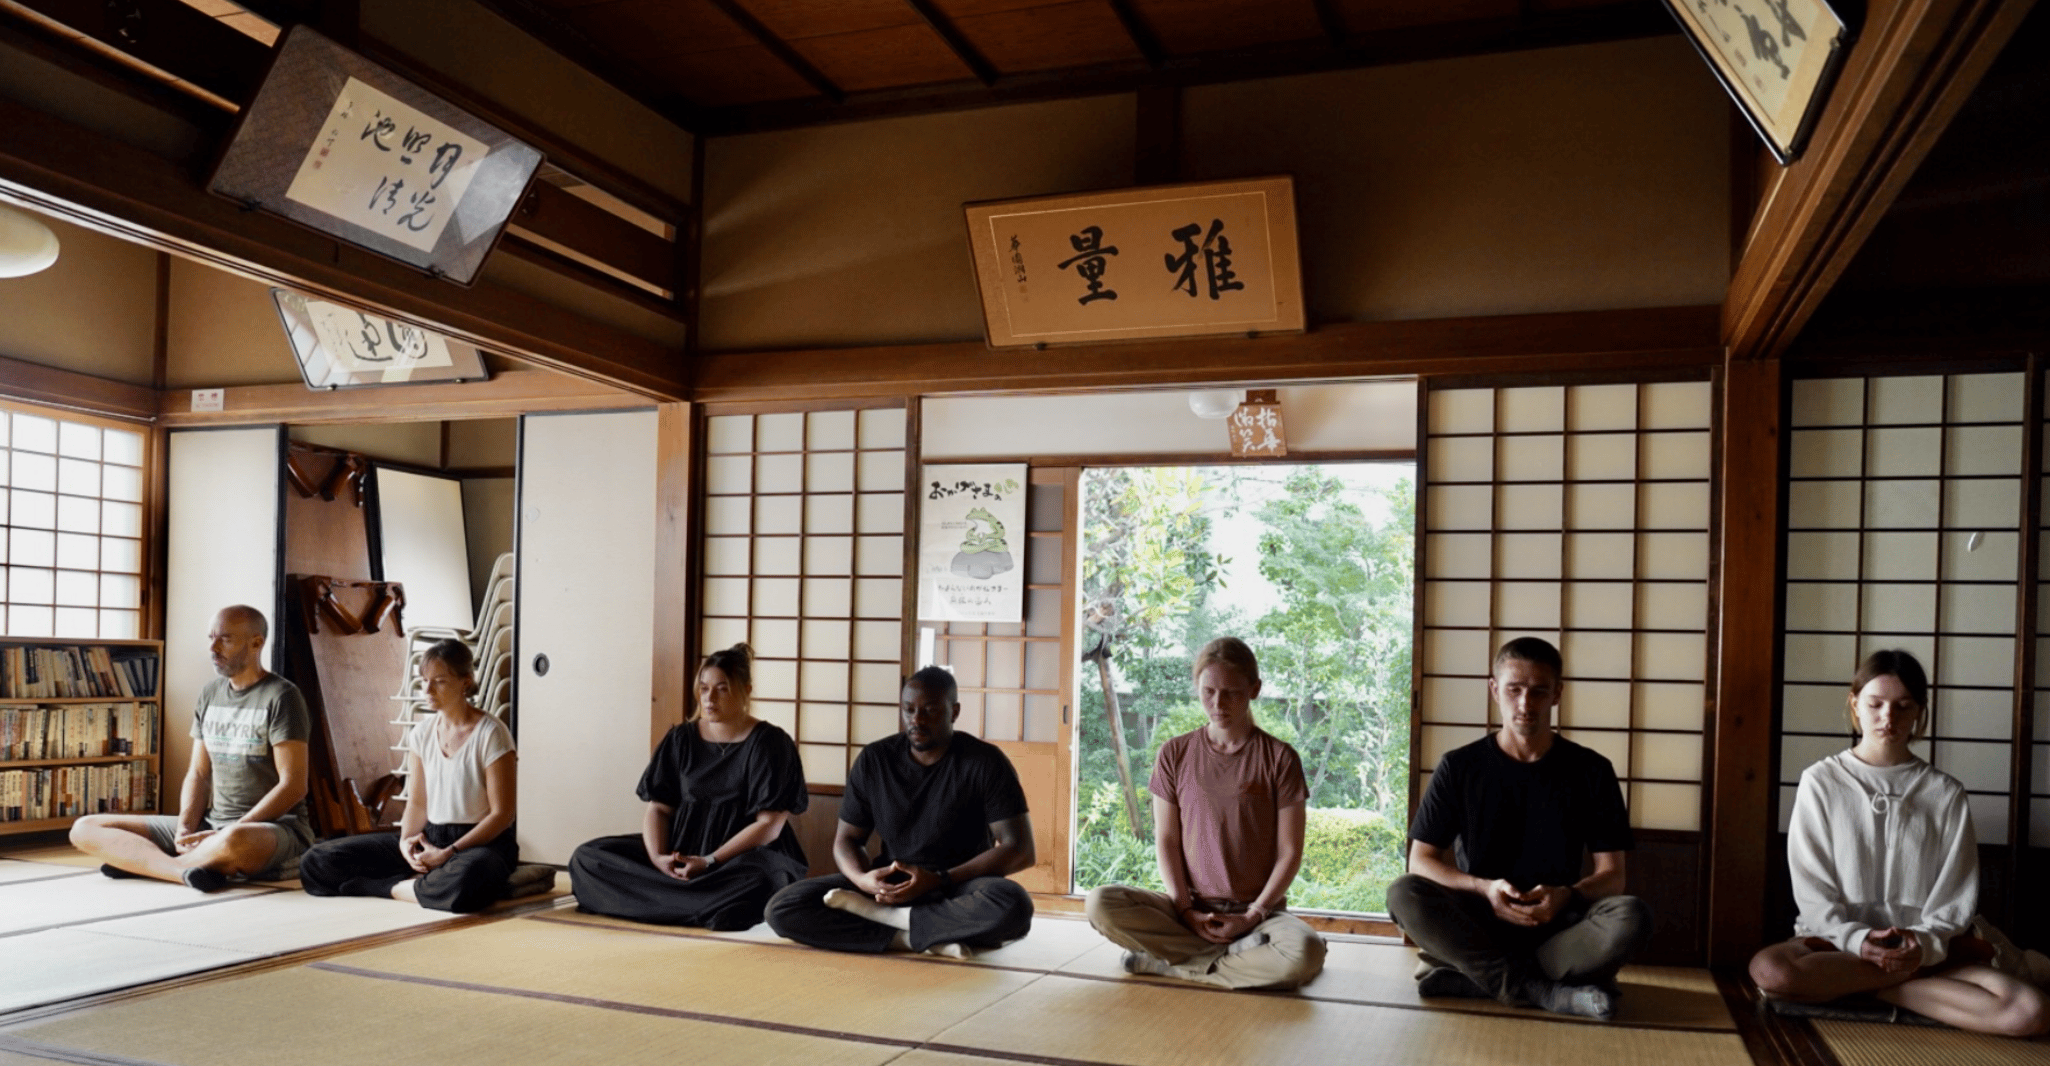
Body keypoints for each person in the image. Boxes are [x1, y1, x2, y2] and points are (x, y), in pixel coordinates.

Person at [1747, 650, 2049, 1036]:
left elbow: (1954, 900)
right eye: (1875, 704)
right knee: (1770, 969)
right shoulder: (1820, 782)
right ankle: (1890, 986)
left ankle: (1862, 990)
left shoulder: (1945, 793)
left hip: (1928, 952)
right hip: (1836, 946)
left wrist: (1919, 946)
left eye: (1903, 707)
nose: (1888, 718)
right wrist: (1857, 940)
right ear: (1855, 705)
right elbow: (1813, 893)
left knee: (2030, 1012)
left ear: (1919, 712)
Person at [1386, 635, 1651, 1020]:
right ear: (1495, 690)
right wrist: (1484, 888)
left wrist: (1567, 895)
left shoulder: (1591, 770)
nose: (1526, 704)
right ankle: (1542, 990)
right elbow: (1421, 861)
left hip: (1558, 928)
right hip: (1478, 924)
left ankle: (1479, 981)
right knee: (1403, 893)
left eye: (1539, 691)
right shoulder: (1459, 767)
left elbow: (1613, 876)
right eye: (1514, 690)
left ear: (1557, 694)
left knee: (1632, 916)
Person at [1085, 636, 1327, 990]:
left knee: (1305, 953)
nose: (1218, 703)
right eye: (1208, 691)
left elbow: (1290, 852)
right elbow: (1166, 841)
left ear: (1254, 689)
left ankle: (1174, 964)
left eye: (1231, 692)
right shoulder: (1174, 753)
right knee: (1100, 903)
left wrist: (1253, 915)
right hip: (1188, 912)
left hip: (1259, 916)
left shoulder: (1280, 758)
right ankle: (1234, 958)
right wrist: (1184, 909)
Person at [765, 665, 1033, 956]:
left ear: (954, 712)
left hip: (958, 885)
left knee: (1013, 904)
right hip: (890, 884)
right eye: (909, 710)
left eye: (930, 710)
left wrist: (941, 879)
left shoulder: (984, 762)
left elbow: (1020, 848)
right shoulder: (875, 759)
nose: (916, 720)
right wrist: (862, 880)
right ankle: (910, 937)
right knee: (782, 908)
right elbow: (847, 839)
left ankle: (896, 924)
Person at [70, 605, 315, 892]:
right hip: (210, 824)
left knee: (234, 841)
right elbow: (198, 773)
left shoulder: (283, 697)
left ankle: (149, 865)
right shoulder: (210, 693)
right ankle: (180, 870)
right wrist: (185, 827)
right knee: (85, 827)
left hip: (272, 829)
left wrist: (230, 830)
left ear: (256, 643)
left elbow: (293, 786)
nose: (213, 647)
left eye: (225, 639)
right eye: (211, 637)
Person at [567, 644, 809, 930]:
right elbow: (659, 808)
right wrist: (658, 858)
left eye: (722, 689)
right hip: (681, 851)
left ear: (746, 690)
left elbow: (769, 825)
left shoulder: (770, 743)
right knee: (588, 858)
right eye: (704, 688)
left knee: (764, 880)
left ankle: (662, 903)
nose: (709, 698)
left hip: (738, 861)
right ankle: (700, 907)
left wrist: (708, 861)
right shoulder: (681, 738)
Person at [298, 639, 518, 912]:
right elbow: (417, 803)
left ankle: (390, 888)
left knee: (468, 880)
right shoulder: (422, 733)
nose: (427, 689)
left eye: (439, 681)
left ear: (465, 682)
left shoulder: (492, 734)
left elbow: (502, 814)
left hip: (479, 845)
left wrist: (450, 853)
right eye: (424, 680)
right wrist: (406, 844)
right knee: (317, 860)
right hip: (431, 837)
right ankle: (420, 886)